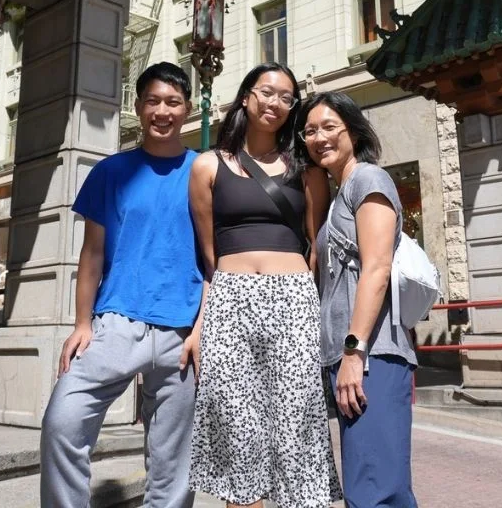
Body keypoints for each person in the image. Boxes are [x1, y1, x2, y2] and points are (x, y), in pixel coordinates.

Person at [41, 62, 202, 508]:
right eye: (153, 101)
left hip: (182, 332)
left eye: (172, 102)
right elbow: (92, 253)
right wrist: (80, 324)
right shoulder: (111, 171)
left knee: (173, 464)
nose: (162, 111)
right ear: (139, 107)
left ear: (187, 109)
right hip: (116, 322)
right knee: (63, 422)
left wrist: (202, 328)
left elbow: (215, 261)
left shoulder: (204, 172)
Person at [189, 64, 341, 508]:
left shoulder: (307, 171)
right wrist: (205, 320)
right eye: (267, 92)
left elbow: (315, 246)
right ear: (245, 97)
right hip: (231, 299)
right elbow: (208, 253)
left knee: (298, 420)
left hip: (293, 298)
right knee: (238, 423)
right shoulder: (206, 166)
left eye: (286, 97)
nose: (275, 102)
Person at [298, 92, 418, 507]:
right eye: (310, 130)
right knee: (370, 486)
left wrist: (354, 353)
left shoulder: (368, 179)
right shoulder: (338, 193)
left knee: (375, 491)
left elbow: (377, 269)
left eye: (330, 127)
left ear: (354, 130)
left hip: (371, 357)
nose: (319, 137)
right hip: (353, 357)